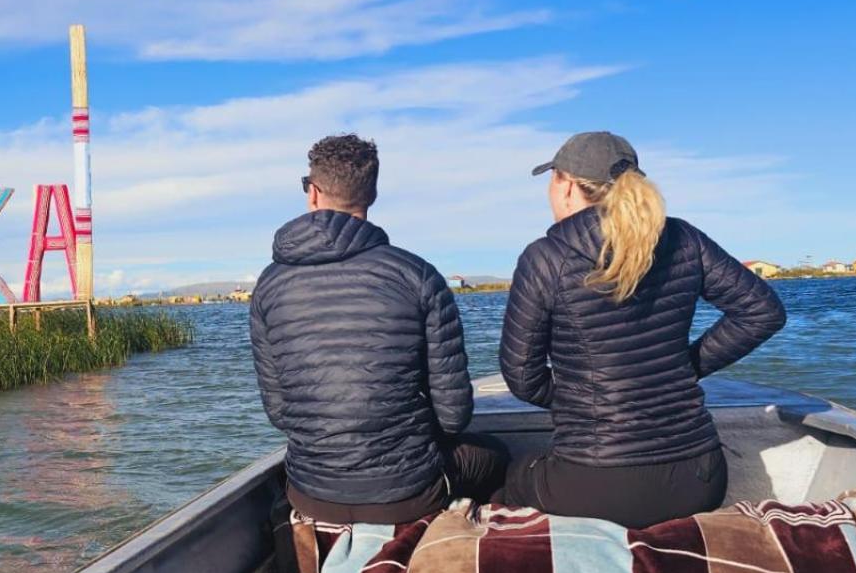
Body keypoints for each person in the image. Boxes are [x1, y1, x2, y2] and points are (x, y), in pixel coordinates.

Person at [498, 131, 787, 528]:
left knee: (508, 477)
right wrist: (686, 367)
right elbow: (762, 311)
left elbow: (521, 378)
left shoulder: (546, 258)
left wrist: (590, 404)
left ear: (565, 186)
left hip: (597, 483)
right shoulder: (683, 238)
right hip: (700, 478)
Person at [251, 134, 507, 525]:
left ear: (313, 192)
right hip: (409, 495)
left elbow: (281, 413)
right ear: (371, 195)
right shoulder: (417, 275)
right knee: (496, 456)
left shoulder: (269, 285)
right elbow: (455, 416)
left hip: (310, 494)